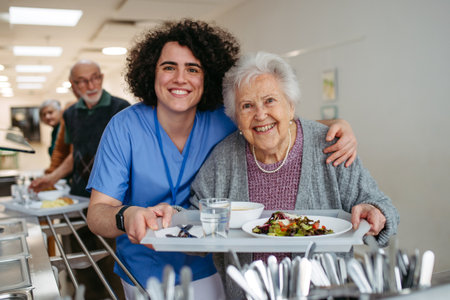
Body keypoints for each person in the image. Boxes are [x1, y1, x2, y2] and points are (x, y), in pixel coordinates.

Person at [86, 19, 358, 300]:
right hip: (145, 271)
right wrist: (126, 215)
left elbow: (273, 125)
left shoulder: (223, 119)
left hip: (211, 268)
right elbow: (97, 214)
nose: (180, 78)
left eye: (193, 69)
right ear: (150, 73)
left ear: (207, 77)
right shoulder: (123, 127)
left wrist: (336, 125)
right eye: (169, 67)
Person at [188, 51, 400, 299]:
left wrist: (375, 212)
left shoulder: (330, 146)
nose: (260, 114)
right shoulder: (223, 159)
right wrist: (171, 220)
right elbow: (195, 221)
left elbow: (385, 209)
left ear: (290, 105)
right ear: (236, 117)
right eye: (247, 106)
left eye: (269, 101)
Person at [31, 59, 130, 300]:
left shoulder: (120, 108)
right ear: (73, 85)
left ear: (102, 78)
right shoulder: (71, 113)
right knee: (80, 266)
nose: (91, 84)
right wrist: (51, 177)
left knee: (112, 266)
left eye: (95, 77)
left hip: (110, 201)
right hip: (77, 200)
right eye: (83, 80)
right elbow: (74, 154)